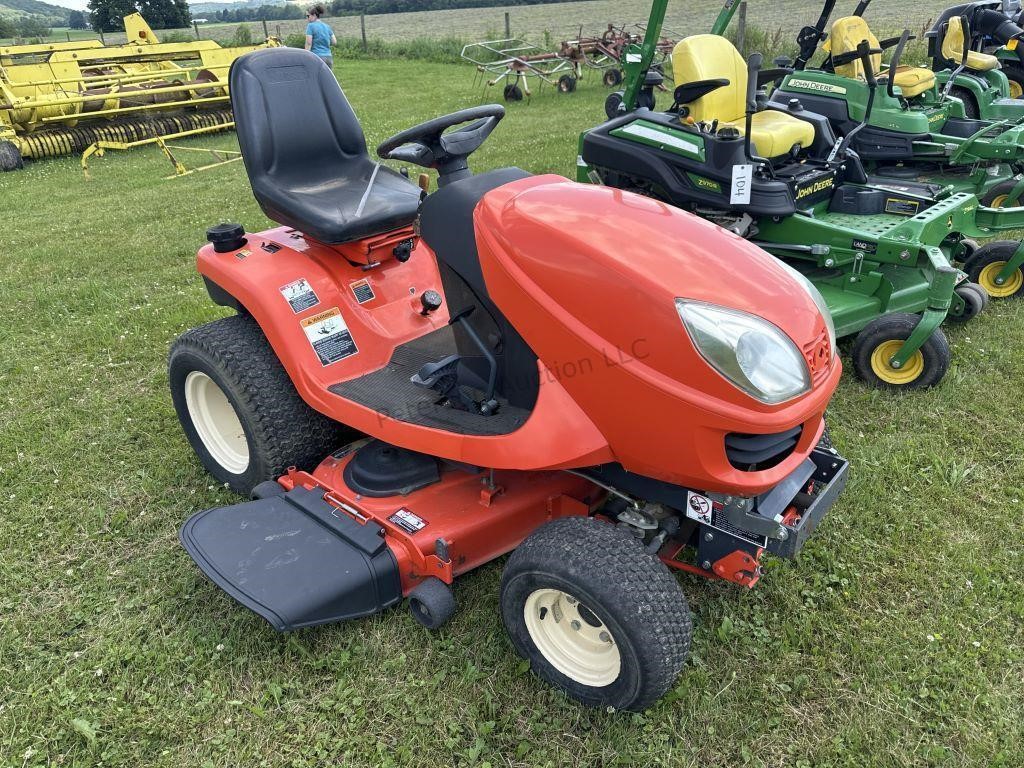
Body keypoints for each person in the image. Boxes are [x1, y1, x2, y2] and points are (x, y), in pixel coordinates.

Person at [304, 4, 337, 69]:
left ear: (314, 15)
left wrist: (306, 56)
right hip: (328, 58)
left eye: (308, 16)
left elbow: (308, 43)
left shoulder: (310, 26)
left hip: (317, 57)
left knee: (315, 78)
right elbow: (334, 42)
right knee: (327, 78)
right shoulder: (327, 26)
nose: (307, 18)